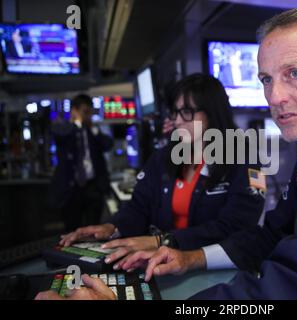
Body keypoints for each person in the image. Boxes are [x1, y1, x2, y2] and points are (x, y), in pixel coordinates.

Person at [37, 7, 297, 300]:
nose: (276, 96)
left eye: (294, 74)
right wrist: (189, 259)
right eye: (267, 80)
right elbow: (269, 236)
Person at [56, 74, 265, 270]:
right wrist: (113, 228)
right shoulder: (163, 157)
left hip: (217, 271)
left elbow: (238, 225)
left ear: (213, 112)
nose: (178, 120)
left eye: (187, 112)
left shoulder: (248, 159)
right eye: (175, 112)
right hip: (163, 267)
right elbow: (139, 206)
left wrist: (165, 241)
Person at [48, 94, 113, 232]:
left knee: (93, 229)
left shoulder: (92, 131)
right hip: (71, 189)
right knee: (72, 229)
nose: (88, 116)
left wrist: (93, 129)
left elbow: (108, 144)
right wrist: (76, 122)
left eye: (90, 112)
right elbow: (60, 135)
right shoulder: (64, 128)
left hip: (93, 187)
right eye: (85, 112)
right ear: (74, 111)